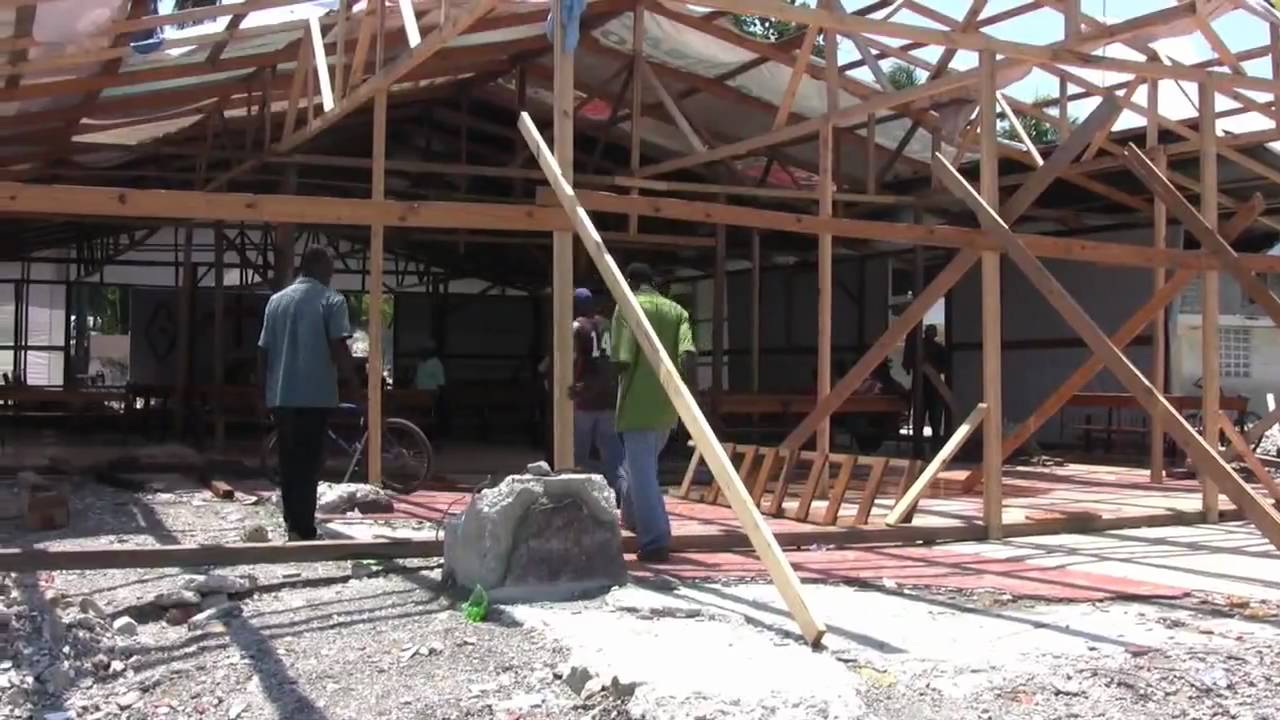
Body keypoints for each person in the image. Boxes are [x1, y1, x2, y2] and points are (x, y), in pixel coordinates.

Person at [257, 246, 355, 541]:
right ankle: (306, 528)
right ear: (319, 268)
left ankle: (293, 525)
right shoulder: (332, 301)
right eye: (331, 269)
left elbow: (262, 352)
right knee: (310, 463)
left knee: (289, 462)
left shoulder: (275, 302)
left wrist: (259, 394)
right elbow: (339, 347)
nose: (332, 275)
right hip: (315, 396)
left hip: (283, 396)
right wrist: (355, 383)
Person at [612, 263, 697, 563]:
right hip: (667, 408)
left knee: (643, 473)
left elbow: (621, 360)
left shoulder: (627, 307)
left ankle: (656, 540)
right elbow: (688, 356)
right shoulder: (677, 312)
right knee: (634, 468)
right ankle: (632, 519)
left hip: (637, 406)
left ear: (630, 282)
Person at [571, 288, 623, 497]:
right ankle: (622, 495)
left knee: (578, 453)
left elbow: (572, 357)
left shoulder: (576, 326)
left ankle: (577, 497)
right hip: (609, 395)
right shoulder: (609, 325)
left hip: (584, 396)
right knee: (613, 455)